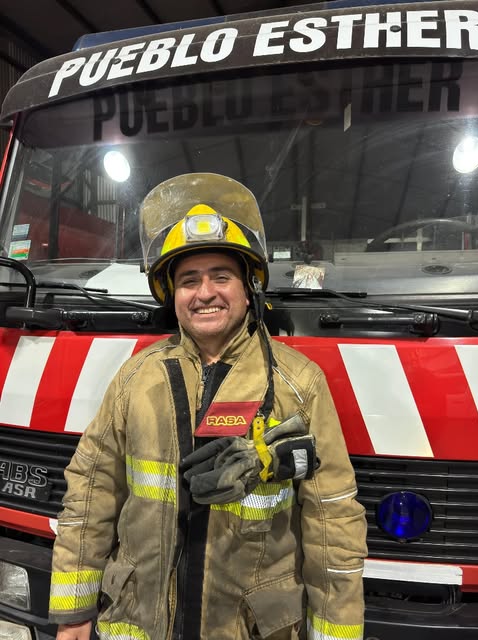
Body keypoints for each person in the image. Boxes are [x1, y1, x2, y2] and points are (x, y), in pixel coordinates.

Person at [48, 173, 367, 640]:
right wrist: (74, 614)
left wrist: (335, 633)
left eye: (221, 276)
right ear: (171, 294)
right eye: (189, 280)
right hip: (138, 624)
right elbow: (90, 495)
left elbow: (333, 522)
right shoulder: (136, 379)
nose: (204, 293)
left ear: (249, 287)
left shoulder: (298, 383)